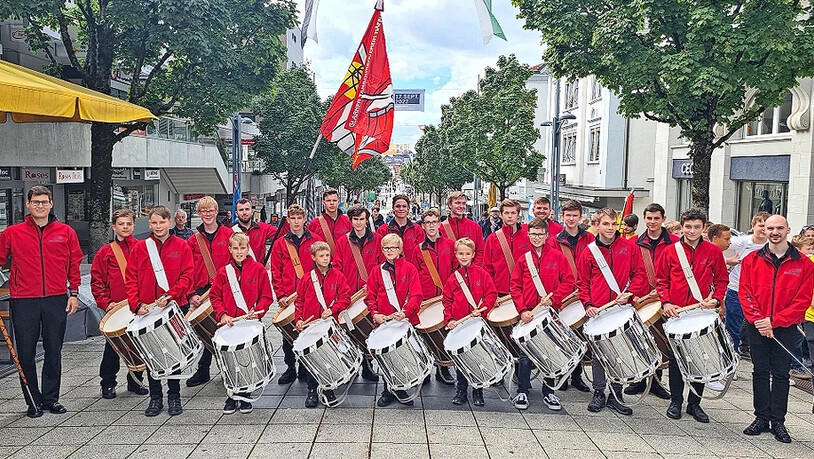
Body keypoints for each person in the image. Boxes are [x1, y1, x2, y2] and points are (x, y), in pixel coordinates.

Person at [0, 186, 83, 418]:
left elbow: (73, 265)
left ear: (51, 204)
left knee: (53, 350)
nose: (40, 205)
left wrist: (74, 293)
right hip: (23, 300)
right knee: (25, 352)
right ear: (28, 204)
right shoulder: (12, 233)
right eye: (35, 202)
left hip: (56, 299)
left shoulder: (65, 232)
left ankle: (51, 399)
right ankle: (32, 400)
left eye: (44, 202)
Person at [740, 215, 814, 443]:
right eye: (770, 227)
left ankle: (778, 421)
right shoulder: (751, 259)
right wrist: (759, 320)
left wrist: (776, 321)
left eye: (779, 228)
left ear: (788, 230)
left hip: (785, 327)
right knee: (760, 372)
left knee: (781, 374)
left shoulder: (803, 263)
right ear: (764, 230)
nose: (774, 231)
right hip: (757, 325)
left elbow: (802, 301)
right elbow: (745, 292)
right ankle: (761, 417)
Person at [657, 208, 728, 423]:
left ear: (704, 227)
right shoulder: (670, 251)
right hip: (677, 313)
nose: (692, 230)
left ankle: (694, 404)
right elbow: (661, 281)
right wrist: (666, 302)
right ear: (682, 226)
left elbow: (722, 280)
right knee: (677, 360)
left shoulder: (713, 252)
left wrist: (716, 299)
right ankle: (676, 401)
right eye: (688, 226)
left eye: (697, 227)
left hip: (701, 312)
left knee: (699, 359)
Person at [578, 207, 648, 416]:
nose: (609, 228)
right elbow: (582, 282)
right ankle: (599, 392)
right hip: (599, 310)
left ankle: (616, 394)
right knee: (600, 353)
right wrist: (588, 304)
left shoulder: (629, 248)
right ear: (597, 225)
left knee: (619, 352)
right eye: (605, 224)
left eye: (612, 224)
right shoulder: (588, 251)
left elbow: (640, 275)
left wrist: (631, 293)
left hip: (621, 308)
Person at [125, 205, 194, 417]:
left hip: (174, 305)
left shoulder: (182, 246)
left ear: (170, 222)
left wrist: (172, 294)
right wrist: (136, 304)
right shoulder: (140, 248)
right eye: (154, 223)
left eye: (161, 222)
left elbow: (187, 275)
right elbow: (131, 278)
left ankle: (174, 396)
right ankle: (155, 397)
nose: (158, 226)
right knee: (151, 353)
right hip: (147, 308)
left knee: (173, 352)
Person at [510, 218, 575, 411]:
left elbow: (568, 281)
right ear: (528, 235)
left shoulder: (557, 256)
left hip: (550, 312)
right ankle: (522, 391)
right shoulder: (523, 259)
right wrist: (522, 310)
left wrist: (555, 297)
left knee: (550, 351)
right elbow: (515, 286)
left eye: (540, 234)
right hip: (529, 312)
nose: (536, 238)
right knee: (525, 356)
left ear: (547, 235)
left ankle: (549, 391)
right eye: (533, 234)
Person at [210, 232, 272, 415]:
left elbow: (266, 296)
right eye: (235, 248)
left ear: (248, 249)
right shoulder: (223, 272)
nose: (239, 251)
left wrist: (259, 309)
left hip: (249, 322)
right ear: (229, 249)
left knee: (246, 359)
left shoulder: (258, 269)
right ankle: (231, 394)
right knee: (230, 361)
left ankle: (245, 394)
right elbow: (215, 297)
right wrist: (221, 314)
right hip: (230, 322)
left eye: (242, 248)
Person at [91, 208, 148, 399]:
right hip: (116, 307)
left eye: (129, 224)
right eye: (121, 224)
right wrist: (105, 303)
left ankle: (135, 381)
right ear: (114, 226)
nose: (125, 227)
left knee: (139, 343)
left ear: (134, 225)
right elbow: (97, 280)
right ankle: (108, 383)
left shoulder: (142, 247)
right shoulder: (105, 252)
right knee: (113, 348)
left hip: (139, 305)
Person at [625, 203, 677, 399]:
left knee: (660, 341)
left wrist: (667, 295)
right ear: (644, 219)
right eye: (649, 218)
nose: (652, 222)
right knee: (640, 340)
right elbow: (631, 273)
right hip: (640, 300)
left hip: (666, 300)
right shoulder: (633, 244)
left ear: (663, 219)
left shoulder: (674, 243)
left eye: (656, 218)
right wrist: (634, 294)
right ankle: (640, 379)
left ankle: (656, 381)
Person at [365, 233, 423, 407]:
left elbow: (416, 294)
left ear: (400, 249)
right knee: (386, 357)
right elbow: (370, 296)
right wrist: (374, 313)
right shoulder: (377, 271)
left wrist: (406, 312)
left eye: (393, 248)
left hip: (403, 318)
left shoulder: (410, 268)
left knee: (402, 355)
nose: (389, 251)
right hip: (383, 320)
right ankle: (387, 389)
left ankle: (401, 387)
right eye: (386, 248)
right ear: (382, 250)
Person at [270, 204, 323, 384]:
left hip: (310, 295)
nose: (296, 222)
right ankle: (291, 367)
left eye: (299, 218)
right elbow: (276, 271)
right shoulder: (280, 244)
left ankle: (307, 368)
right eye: (292, 218)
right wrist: (280, 295)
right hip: (288, 295)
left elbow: (322, 266)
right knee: (288, 334)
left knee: (308, 331)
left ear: (304, 219)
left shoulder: (315, 240)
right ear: (288, 220)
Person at [293, 241, 351, 407]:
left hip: (329, 324)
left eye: (327, 255)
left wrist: (333, 309)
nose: (325, 259)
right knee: (313, 359)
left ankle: (328, 389)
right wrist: (298, 319)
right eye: (321, 256)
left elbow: (345, 297)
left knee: (328, 358)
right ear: (313, 257)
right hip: (311, 326)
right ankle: (312, 390)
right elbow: (300, 301)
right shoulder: (306, 278)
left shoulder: (338, 276)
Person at [443, 238, 498, 407]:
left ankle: (477, 389)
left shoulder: (482, 274)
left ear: (473, 255)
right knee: (461, 359)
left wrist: (482, 309)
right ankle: (461, 390)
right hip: (460, 324)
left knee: (476, 357)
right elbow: (447, 301)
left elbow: (491, 294)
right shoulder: (453, 278)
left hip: (476, 322)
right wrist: (450, 319)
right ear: (456, 255)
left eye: (467, 253)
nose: (464, 256)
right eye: (461, 253)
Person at [186, 196, 234, 387]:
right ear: (199, 214)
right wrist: (191, 293)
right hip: (201, 290)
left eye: (211, 210)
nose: (207, 214)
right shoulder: (192, 240)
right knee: (204, 332)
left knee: (225, 329)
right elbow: (187, 268)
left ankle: (228, 369)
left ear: (216, 212)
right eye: (204, 211)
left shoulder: (229, 234)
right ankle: (203, 370)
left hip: (224, 289)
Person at [331, 204, 382, 381]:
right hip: (350, 295)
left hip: (371, 293)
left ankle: (368, 368)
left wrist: (373, 285)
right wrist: (343, 291)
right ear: (351, 221)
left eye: (362, 219)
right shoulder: (343, 241)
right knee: (350, 333)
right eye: (355, 219)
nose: (359, 222)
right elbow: (337, 268)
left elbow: (381, 265)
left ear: (366, 220)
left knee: (370, 331)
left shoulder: (377, 239)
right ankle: (350, 367)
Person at [547, 199, 592, 392]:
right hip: (563, 296)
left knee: (581, 335)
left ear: (581, 217)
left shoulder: (590, 239)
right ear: (562, 217)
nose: (571, 219)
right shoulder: (554, 241)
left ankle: (577, 375)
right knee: (563, 336)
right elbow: (552, 271)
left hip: (585, 295)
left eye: (575, 215)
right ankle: (562, 373)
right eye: (568, 216)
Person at [410, 209, 456, 384]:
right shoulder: (418, 249)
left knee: (443, 334)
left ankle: (443, 368)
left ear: (439, 224)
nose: (431, 225)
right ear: (423, 226)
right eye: (427, 222)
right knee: (426, 335)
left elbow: (454, 270)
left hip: (445, 297)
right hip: (426, 300)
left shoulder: (450, 245)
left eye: (434, 222)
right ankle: (426, 368)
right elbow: (414, 275)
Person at [726, 212, 769, 360]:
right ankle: (731, 359)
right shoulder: (742, 241)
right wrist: (727, 260)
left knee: (759, 328)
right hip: (736, 289)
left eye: (767, 226)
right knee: (733, 328)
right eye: (761, 225)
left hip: (761, 294)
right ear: (753, 226)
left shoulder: (773, 244)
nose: (764, 229)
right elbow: (714, 247)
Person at [484, 199, 532, 295]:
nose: (510, 216)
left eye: (513, 213)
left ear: (518, 215)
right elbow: (487, 268)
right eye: (506, 213)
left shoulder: (528, 237)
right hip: (499, 291)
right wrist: (490, 292)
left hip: (523, 290)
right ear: (501, 215)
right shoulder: (492, 239)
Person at [441, 191, 486, 264]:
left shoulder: (474, 226)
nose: (461, 206)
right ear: (450, 204)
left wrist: (473, 268)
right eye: (458, 203)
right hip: (448, 272)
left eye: (464, 203)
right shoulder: (441, 228)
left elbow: (480, 251)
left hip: (470, 271)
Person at [377, 194, 423, 262]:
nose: (401, 209)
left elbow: (422, 254)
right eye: (398, 206)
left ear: (408, 209)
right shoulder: (383, 230)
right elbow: (379, 254)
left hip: (412, 271)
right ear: (393, 208)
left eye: (404, 206)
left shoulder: (417, 230)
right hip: (389, 271)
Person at [307, 189, 352, 256]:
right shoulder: (314, 224)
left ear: (338, 202)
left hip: (344, 263)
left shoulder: (348, 222)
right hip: (322, 265)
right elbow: (309, 247)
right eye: (328, 200)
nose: (332, 203)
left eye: (334, 200)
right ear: (323, 202)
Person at [232, 198, 274, 263]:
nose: (244, 212)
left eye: (247, 209)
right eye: (241, 210)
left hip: (259, 271)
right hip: (239, 272)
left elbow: (282, 234)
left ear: (252, 212)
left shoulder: (264, 228)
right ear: (236, 213)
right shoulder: (230, 232)